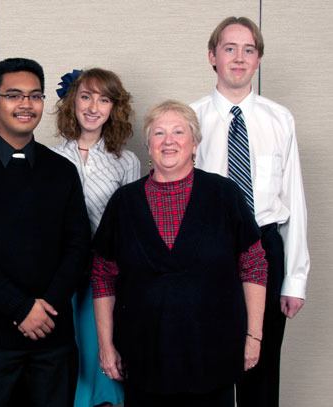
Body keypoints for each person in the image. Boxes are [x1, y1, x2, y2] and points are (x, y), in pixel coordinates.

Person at [92, 100, 267, 407]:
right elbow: (103, 275)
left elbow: (253, 265)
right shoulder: (124, 203)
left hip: (214, 353)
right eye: (159, 133)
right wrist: (106, 346)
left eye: (178, 132)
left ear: (195, 144)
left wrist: (253, 337)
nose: (168, 141)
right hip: (145, 356)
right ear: (148, 145)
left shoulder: (224, 195)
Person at [0, 57, 91, 407]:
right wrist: (21, 308)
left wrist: (47, 306)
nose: (26, 104)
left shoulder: (62, 171)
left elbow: (78, 246)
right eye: (14, 95)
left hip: (52, 340)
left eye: (35, 96)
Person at [191, 16, 310, 407]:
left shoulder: (280, 119)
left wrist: (294, 279)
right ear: (212, 56)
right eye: (229, 48)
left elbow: (293, 201)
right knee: (211, 362)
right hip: (208, 251)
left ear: (258, 60)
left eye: (249, 50)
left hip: (264, 245)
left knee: (261, 367)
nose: (239, 58)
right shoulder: (190, 120)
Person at [52, 67, 139, 407]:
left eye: (104, 99)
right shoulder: (52, 158)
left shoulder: (125, 162)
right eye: (86, 97)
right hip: (59, 276)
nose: (93, 107)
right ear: (73, 102)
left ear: (113, 108)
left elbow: (129, 229)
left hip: (104, 278)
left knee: (100, 356)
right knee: (65, 360)